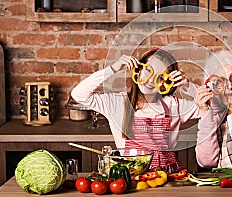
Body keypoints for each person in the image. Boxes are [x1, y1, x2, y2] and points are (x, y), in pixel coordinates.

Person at [71, 48, 203, 173]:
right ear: (138, 70)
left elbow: (211, 107)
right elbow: (78, 94)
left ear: (167, 83)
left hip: (167, 180)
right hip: (133, 179)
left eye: (160, 77)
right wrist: (112, 69)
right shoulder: (117, 103)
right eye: (148, 70)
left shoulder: (174, 105)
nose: (151, 80)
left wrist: (187, 86)